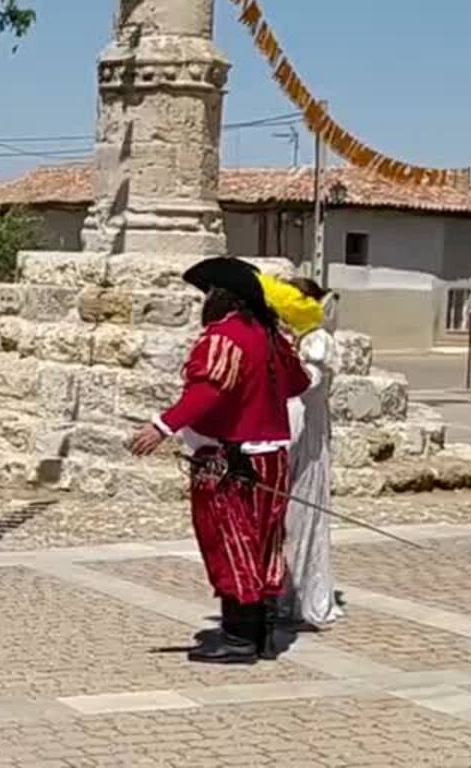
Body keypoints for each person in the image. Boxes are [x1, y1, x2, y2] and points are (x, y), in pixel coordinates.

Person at [126, 257, 310, 665]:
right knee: (265, 540)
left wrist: (162, 425)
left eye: (208, 293)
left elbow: (209, 391)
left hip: (232, 459)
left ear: (223, 296)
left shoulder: (223, 337)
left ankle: (238, 637)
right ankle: (260, 632)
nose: (204, 302)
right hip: (273, 457)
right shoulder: (270, 337)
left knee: (230, 541)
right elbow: (300, 383)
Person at [267, 274, 341, 631]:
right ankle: (282, 591)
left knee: (303, 515)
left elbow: (307, 384)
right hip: (289, 430)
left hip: (309, 433)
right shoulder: (296, 339)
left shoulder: (318, 341)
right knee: (283, 518)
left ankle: (306, 597)